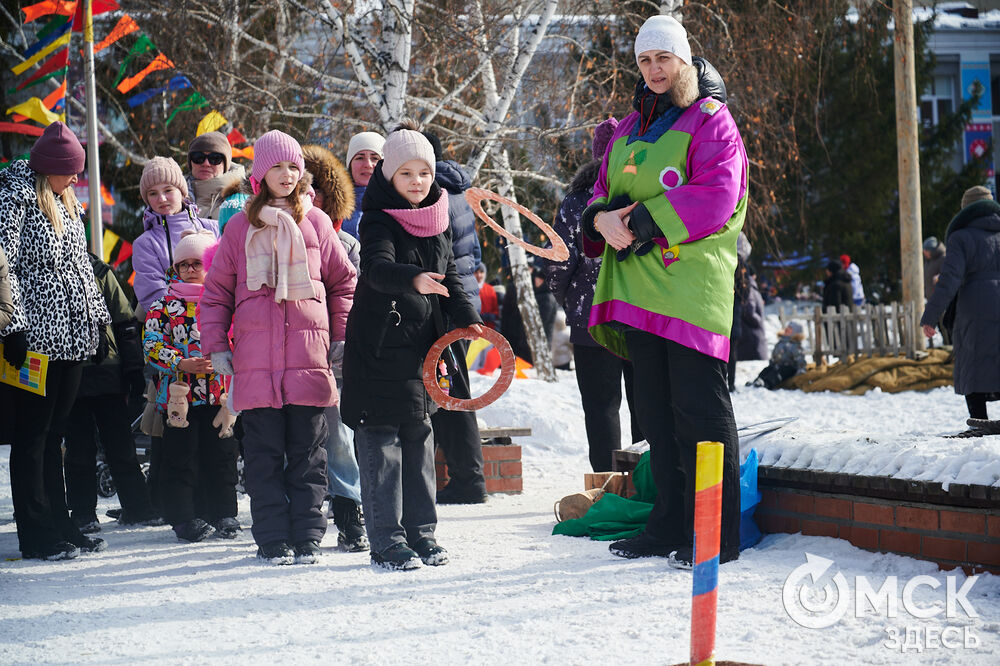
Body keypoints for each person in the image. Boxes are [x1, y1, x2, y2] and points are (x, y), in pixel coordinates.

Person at [579, 15, 745, 565]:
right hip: (639, 292)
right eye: (645, 60)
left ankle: (715, 533)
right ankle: (670, 523)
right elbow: (601, 192)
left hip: (689, 290)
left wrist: (645, 221)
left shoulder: (711, 120)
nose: (653, 69)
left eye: (663, 58)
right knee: (654, 413)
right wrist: (600, 220)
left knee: (701, 411)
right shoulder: (626, 130)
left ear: (683, 60)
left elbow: (718, 193)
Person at [200, 130, 357, 565]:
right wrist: (216, 345)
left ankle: (307, 536)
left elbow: (344, 282)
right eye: (278, 167)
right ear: (259, 174)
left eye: (293, 167)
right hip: (255, 365)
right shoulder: (238, 228)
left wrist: (340, 335)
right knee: (263, 458)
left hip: (308, 362)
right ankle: (271, 538)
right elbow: (216, 295)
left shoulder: (318, 223)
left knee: (308, 457)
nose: (287, 175)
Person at [341, 124, 483, 571]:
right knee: (382, 443)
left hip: (423, 351)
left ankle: (422, 534)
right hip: (381, 348)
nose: (418, 181)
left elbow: (452, 277)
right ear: (388, 177)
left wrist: (468, 319)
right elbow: (377, 269)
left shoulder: (437, 218)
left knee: (420, 441)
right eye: (406, 173)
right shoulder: (378, 218)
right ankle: (386, 540)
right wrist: (413, 279)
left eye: (424, 172)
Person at [0, 121, 111, 560]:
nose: (78, 180)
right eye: (73, 171)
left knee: (56, 434)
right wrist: (10, 325)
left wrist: (99, 321)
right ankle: (36, 532)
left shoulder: (66, 201)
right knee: (33, 435)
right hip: (34, 339)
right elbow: (0, 259)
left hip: (71, 334)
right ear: (52, 167)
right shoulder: (15, 194)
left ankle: (60, 523)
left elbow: (82, 266)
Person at [545, 117, 643, 472]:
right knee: (645, 405)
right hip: (640, 314)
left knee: (601, 408)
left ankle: (605, 485)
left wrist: (569, 300)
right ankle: (645, 484)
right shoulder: (642, 196)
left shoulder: (575, 202)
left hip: (591, 319)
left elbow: (558, 262)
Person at [144, 230, 240, 542]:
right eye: (182, 265)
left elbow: (238, 336)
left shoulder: (223, 300)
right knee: (180, 459)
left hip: (219, 396)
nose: (189, 270)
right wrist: (179, 363)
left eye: (196, 263)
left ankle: (223, 513)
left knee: (222, 456)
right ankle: (184, 518)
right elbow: (151, 344)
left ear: (209, 265)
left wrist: (225, 355)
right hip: (179, 401)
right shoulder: (162, 304)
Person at [301, 143, 370, 552]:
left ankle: (348, 511)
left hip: (331, 351)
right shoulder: (265, 236)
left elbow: (352, 294)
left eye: (317, 192)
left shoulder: (345, 243)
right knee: (295, 439)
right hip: (284, 354)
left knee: (340, 438)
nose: (309, 199)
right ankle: (298, 516)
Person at [62, 253, 158, 533]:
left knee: (120, 444)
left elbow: (125, 322)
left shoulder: (99, 270)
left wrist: (132, 367)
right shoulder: (47, 270)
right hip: (71, 370)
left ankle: (137, 506)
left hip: (108, 370)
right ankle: (82, 512)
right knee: (79, 447)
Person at [423, 131, 488, 505]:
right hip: (463, 298)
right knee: (452, 388)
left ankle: (469, 478)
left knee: (448, 391)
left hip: (446, 302)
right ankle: (467, 476)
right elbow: (474, 254)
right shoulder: (458, 190)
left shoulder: (435, 195)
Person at [920, 185, 1000, 421]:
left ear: (966, 209)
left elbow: (949, 281)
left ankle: (979, 419)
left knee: (972, 359)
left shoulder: (961, 237)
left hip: (974, 308)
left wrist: (931, 316)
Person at [133, 157, 220, 316]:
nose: (162, 199)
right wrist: (186, 319)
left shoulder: (213, 228)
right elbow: (152, 292)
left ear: (181, 191)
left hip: (219, 320)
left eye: (168, 190)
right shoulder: (145, 244)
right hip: (173, 326)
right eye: (153, 193)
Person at [185, 131, 249, 230]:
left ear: (225, 165)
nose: (206, 163)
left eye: (215, 158)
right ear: (190, 162)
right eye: (198, 157)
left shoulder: (243, 202)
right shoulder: (174, 196)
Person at [500, 266, 557, 364]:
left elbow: (540, 321)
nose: (536, 280)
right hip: (529, 341)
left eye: (540, 279)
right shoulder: (540, 294)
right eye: (537, 278)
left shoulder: (546, 298)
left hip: (536, 342)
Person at [342, 131, 385, 240]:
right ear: (350, 165)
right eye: (360, 158)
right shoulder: (331, 205)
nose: (368, 165)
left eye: (375, 158)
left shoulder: (396, 204)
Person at [750, 321, 807, 389]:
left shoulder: (795, 346)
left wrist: (801, 371)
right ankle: (758, 380)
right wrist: (772, 362)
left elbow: (800, 359)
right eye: (787, 327)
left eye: (790, 328)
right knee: (767, 370)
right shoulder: (781, 342)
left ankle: (767, 383)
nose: (787, 329)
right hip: (777, 365)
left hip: (789, 368)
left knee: (778, 373)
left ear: (795, 332)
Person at [476, 263, 499, 329]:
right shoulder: (469, 288)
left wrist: (491, 316)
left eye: (481, 272)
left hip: (489, 327)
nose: (479, 275)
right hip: (475, 328)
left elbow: (496, 310)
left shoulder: (490, 289)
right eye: (476, 272)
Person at [923, 236, 946, 300]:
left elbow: (948, 274)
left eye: (925, 251)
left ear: (931, 250)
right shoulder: (928, 260)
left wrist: (939, 277)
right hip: (930, 298)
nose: (924, 254)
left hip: (940, 298)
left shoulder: (943, 258)